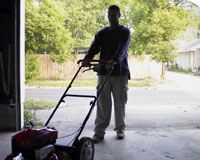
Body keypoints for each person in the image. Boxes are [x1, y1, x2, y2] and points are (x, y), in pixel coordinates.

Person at [83, 5, 131, 143]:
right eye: (109, 15)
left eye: (114, 15)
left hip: (120, 72)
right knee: (102, 103)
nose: (111, 18)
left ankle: (120, 129)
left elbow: (123, 49)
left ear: (119, 16)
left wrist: (114, 60)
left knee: (120, 101)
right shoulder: (102, 33)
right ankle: (99, 132)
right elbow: (94, 47)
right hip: (104, 73)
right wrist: (87, 59)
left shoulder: (125, 32)